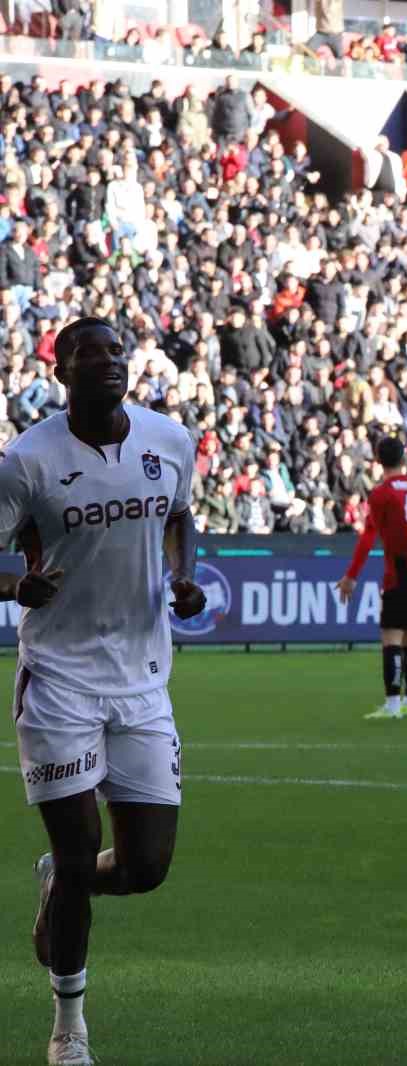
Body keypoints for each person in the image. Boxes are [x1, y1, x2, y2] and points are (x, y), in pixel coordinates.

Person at [0, 317, 206, 1066]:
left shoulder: (168, 440)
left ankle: (60, 882)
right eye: (92, 354)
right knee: (83, 852)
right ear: (63, 370)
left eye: (118, 351)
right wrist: (14, 585)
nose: (110, 363)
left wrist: (182, 578)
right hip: (59, 678)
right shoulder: (28, 460)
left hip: (143, 678)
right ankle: (69, 1028)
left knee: (146, 866)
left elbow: (180, 515)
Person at [335, 436, 407, 720]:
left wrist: (351, 576)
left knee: (391, 635)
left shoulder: (382, 493)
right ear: (404, 459)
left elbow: (369, 536)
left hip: (398, 572)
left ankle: (393, 705)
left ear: (378, 460)